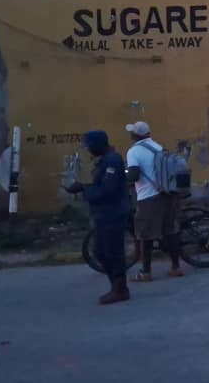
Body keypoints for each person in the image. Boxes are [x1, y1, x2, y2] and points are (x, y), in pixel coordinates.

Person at [64, 130, 131, 305]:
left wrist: (86, 191)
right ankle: (117, 287)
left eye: (90, 146)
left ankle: (120, 289)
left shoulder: (112, 161)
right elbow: (96, 182)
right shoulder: (103, 161)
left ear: (99, 144)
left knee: (112, 253)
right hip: (104, 214)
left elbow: (108, 190)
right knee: (100, 252)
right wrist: (79, 186)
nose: (89, 150)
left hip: (113, 213)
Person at [125, 121, 183, 282]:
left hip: (148, 197)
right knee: (170, 231)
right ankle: (176, 267)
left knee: (146, 235)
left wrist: (125, 176)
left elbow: (134, 175)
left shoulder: (134, 151)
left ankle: (146, 272)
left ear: (134, 135)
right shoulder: (158, 147)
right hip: (168, 194)